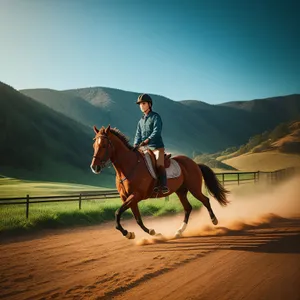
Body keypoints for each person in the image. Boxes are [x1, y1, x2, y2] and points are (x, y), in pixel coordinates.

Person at [134, 93, 169, 194]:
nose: (141, 106)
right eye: (140, 104)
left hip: (156, 147)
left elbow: (157, 131)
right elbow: (138, 134)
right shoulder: (140, 121)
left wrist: (147, 140)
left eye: (143, 103)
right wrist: (136, 145)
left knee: (159, 165)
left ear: (149, 104)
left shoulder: (156, 117)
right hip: (144, 149)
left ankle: (163, 186)